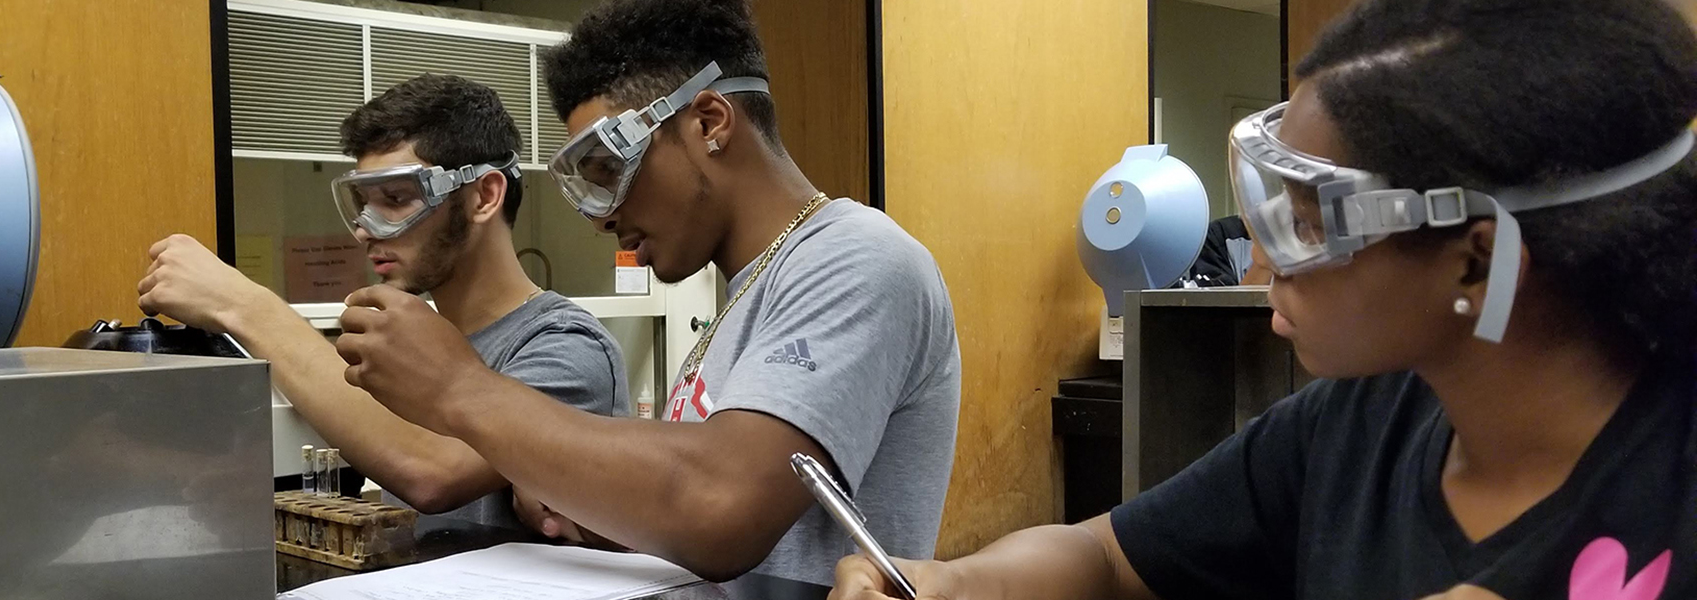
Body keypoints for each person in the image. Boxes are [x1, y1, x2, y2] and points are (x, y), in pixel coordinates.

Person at [833, 0, 1697, 598]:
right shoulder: (1352, 427)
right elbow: (1103, 556)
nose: (1269, 260)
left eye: (1312, 225)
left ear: (1478, 263)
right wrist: (955, 581)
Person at [327, 0, 961, 584]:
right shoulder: (746, 294)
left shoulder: (858, 258)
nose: (603, 215)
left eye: (609, 167)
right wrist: (592, 507)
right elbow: (696, 519)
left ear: (708, 121)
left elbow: (718, 508)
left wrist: (456, 387)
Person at [136, 74, 629, 528]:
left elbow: (431, 469)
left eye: (394, 199)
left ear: (483, 197)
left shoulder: (565, 345)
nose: (363, 230)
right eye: (363, 205)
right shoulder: (410, 349)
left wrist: (242, 306)